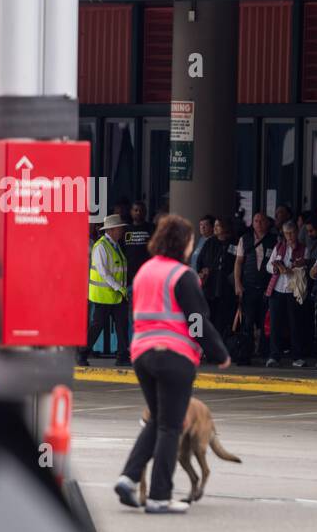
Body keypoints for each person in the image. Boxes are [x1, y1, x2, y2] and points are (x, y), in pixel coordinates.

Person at [113, 215, 230, 515]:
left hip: (142, 355)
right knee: (170, 425)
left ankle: (127, 478)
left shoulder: (143, 273)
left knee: (156, 420)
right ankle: (159, 496)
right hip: (173, 357)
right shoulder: (182, 275)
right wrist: (220, 354)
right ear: (183, 243)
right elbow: (196, 322)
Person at [79, 213, 130, 366]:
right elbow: (103, 272)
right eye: (119, 229)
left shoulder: (115, 246)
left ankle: (122, 357)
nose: (121, 231)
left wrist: (121, 289)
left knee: (122, 325)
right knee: (97, 327)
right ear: (111, 230)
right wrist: (119, 287)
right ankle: (82, 353)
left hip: (117, 295)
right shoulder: (100, 247)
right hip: (104, 296)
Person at [263, 219, 308, 367]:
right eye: (286, 233)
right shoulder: (279, 247)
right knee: (275, 324)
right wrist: (276, 268)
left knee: (295, 324)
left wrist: (294, 268)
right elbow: (268, 266)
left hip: (293, 290)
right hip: (277, 289)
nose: (289, 236)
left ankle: (297, 356)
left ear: (296, 233)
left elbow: (306, 268)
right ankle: (274, 355)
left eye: (292, 233)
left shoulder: (303, 248)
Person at [233, 211, 276, 364]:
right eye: (256, 221)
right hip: (248, 287)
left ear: (268, 223)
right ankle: (245, 355)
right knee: (247, 322)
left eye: (262, 221)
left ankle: (265, 354)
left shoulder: (274, 240)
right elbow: (238, 262)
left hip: (267, 287)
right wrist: (238, 284)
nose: (259, 223)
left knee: (266, 322)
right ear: (252, 223)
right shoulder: (245, 239)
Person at [123, 202, 153, 288]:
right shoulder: (125, 229)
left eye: (141, 210)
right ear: (131, 212)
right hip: (129, 275)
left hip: (147, 273)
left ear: (145, 212)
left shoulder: (151, 228)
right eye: (136, 210)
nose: (138, 212)